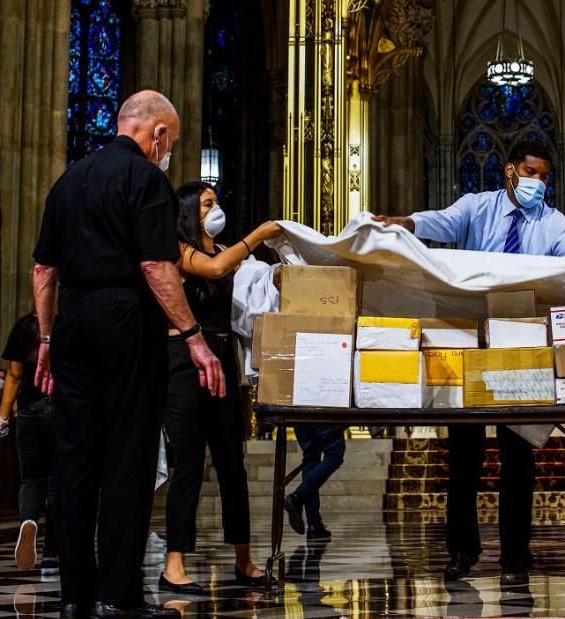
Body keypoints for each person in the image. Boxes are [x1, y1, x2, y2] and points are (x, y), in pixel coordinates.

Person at [373, 140, 565, 587]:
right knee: (464, 455)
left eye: (545, 176)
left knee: (518, 455)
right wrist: (404, 222)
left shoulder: (550, 220)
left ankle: (515, 554)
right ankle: (462, 550)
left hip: (521, 347)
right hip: (469, 341)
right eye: (531, 173)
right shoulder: (478, 207)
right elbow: (442, 221)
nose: (538, 183)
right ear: (510, 171)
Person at [32, 90, 226, 619]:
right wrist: (192, 335)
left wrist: (46, 340)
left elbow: (44, 273)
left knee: (73, 458)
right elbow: (156, 267)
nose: (169, 154)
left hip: (73, 322)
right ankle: (116, 594)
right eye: (172, 143)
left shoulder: (68, 180)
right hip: (126, 320)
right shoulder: (145, 179)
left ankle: (74, 593)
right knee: (127, 456)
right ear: (157, 134)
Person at [158, 181, 281, 594]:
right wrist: (258, 237)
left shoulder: (223, 254)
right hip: (185, 359)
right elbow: (212, 270)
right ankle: (174, 564)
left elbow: (241, 281)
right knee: (190, 463)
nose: (216, 208)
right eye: (208, 203)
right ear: (190, 211)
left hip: (223, 356)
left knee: (233, 464)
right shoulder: (176, 248)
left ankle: (243, 561)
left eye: (217, 202)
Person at [0, 312, 58, 575]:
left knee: (31, 479)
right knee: (58, 484)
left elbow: (14, 376)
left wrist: (2, 417)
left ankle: (28, 519)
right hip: (66, 413)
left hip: (31, 411)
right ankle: (52, 555)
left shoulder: (25, 326)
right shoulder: (72, 321)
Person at [283, 426, 345, 541]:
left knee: (310, 459)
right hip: (323, 413)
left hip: (300, 415)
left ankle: (315, 525)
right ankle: (297, 496)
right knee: (335, 454)